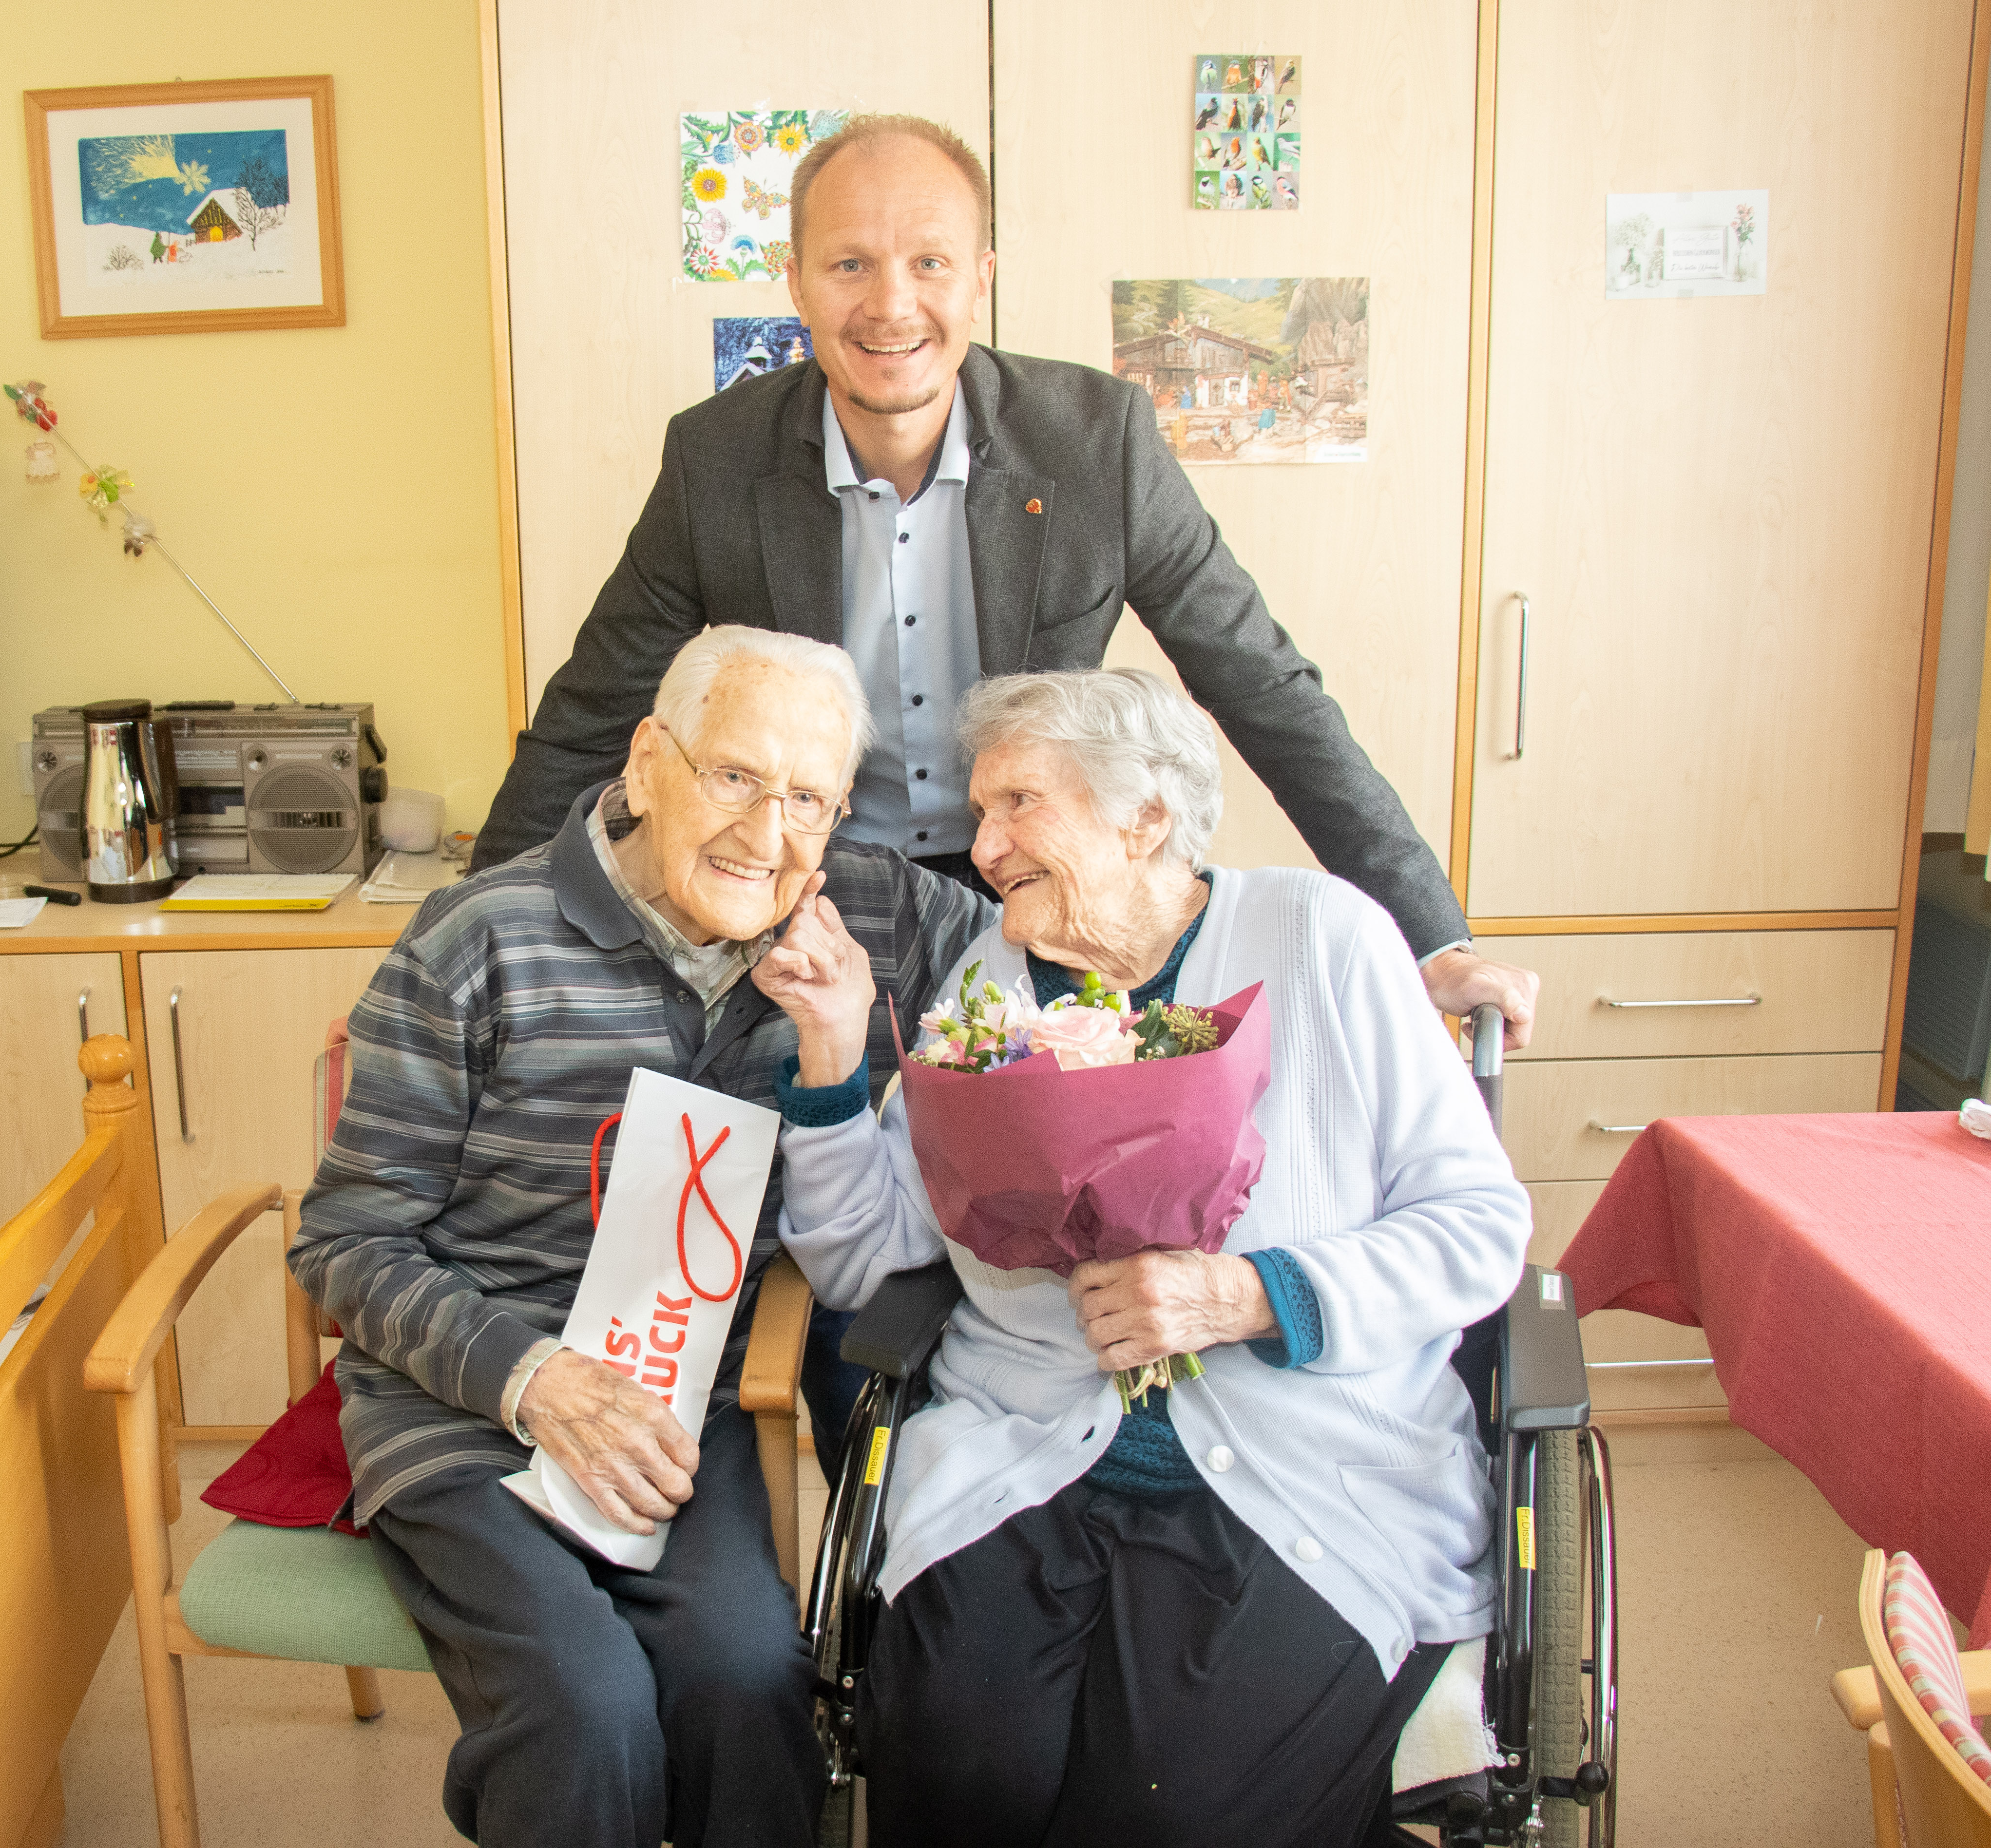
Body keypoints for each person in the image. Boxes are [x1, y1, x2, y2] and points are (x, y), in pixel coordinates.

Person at [467, 111, 1539, 1050]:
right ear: (793, 282)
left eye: (929, 263)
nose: (892, 305)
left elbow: (1264, 688)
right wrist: (451, 964)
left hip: (1041, 891)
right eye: (849, 265)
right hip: (809, 894)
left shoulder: (1097, 446)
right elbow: (588, 721)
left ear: (980, 275)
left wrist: (1430, 935)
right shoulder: (716, 460)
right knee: (815, 1203)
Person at [754, 668, 1530, 1848]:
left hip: (1304, 1473)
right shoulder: (987, 991)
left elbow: (1477, 1225)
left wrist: (1250, 1294)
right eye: (979, 814)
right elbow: (874, 1258)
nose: (985, 845)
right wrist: (826, 1053)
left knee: (1170, 1816)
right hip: (1024, 1456)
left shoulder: (1325, 939)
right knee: (960, 1774)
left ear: (1146, 818)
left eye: (1018, 803)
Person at [291, 627, 986, 1848]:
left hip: (680, 1399)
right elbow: (347, 1240)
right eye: (733, 777)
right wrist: (536, 1380)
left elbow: (1052, 963)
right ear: (648, 762)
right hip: (464, 1404)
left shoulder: (864, 911)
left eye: (808, 799)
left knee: (748, 1682)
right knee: (584, 1705)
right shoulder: (476, 939)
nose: (768, 837)